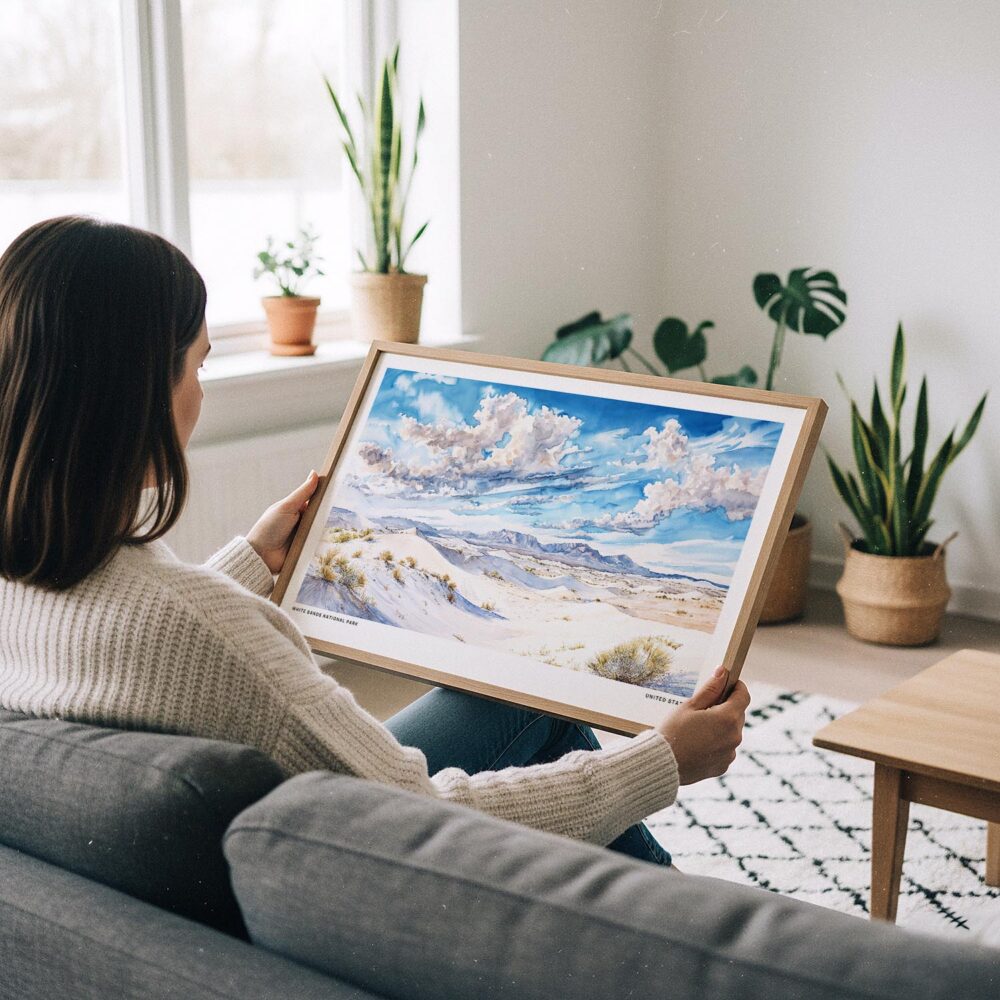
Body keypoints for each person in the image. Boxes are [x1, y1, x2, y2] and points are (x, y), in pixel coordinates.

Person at [0, 216, 749, 866]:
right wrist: (660, 761)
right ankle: (695, 939)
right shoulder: (207, 631)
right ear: (135, 394)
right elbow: (418, 818)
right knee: (548, 725)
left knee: (506, 704)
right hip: (362, 862)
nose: (203, 391)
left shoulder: (28, 581)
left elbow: (139, 637)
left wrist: (250, 564)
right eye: (198, 365)